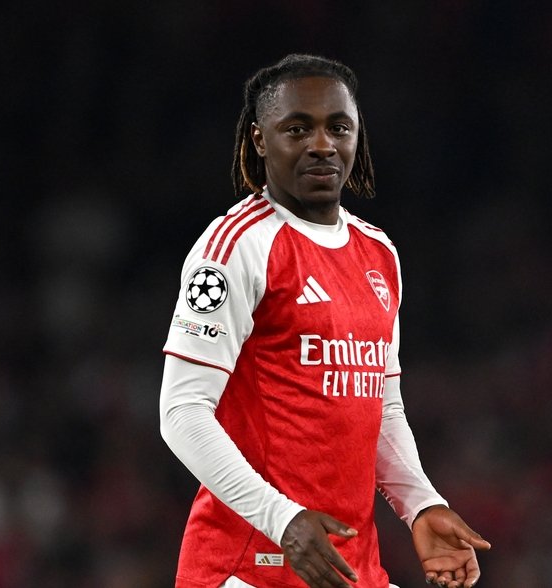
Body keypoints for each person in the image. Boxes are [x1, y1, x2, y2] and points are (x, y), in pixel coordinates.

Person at [159, 54, 490, 588]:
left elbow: (382, 406)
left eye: (338, 127)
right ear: (259, 139)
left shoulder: (378, 252)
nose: (322, 144)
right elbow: (182, 412)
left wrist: (421, 505)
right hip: (249, 568)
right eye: (298, 129)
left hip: (350, 568)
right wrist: (282, 519)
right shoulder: (236, 247)